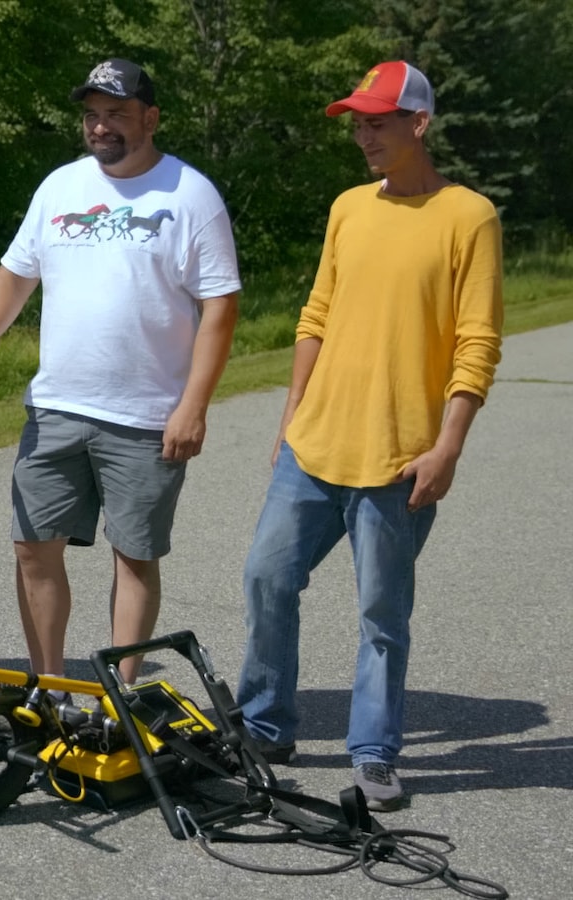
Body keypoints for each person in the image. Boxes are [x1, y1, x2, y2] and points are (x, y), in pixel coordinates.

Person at [235, 61, 503, 810]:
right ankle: (263, 725)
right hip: (314, 446)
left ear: (419, 123)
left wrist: (448, 446)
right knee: (266, 576)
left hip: (400, 459)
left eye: (376, 121)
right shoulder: (349, 207)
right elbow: (316, 314)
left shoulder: (470, 216)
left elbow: (477, 342)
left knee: (381, 614)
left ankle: (375, 752)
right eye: (356, 122)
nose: (362, 135)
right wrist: (290, 416)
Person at [0, 59, 241, 686]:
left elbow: (221, 305)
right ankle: (50, 688)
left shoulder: (190, 194)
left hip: (147, 415)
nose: (101, 127)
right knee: (32, 547)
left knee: (134, 555)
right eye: (92, 115)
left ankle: (121, 697)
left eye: (116, 114)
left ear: (150, 118)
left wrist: (194, 404)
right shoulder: (61, 187)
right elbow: (16, 271)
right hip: (56, 406)